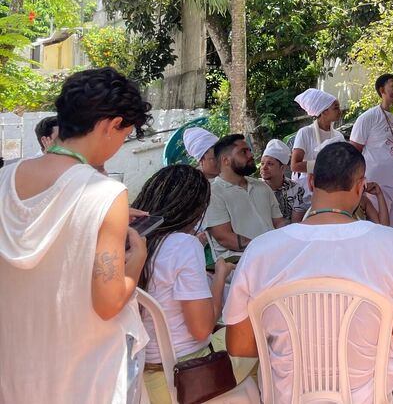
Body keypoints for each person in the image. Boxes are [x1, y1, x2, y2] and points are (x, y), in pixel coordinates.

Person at [224, 142, 393, 403]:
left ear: (310, 182)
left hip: (288, 396)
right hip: (365, 395)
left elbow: (239, 346)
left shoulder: (260, 250)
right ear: (360, 186)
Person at [0, 67, 152, 403]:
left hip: (13, 370)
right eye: (125, 134)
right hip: (83, 376)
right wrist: (137, 257)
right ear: (112, 125)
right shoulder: (106, 193)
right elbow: (109, 303)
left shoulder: (4, 180)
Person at [130, 165, 255, 404]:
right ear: (196, 210)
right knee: (257, 336)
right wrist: (220, 275)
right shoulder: (184, 245)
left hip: (143, 380)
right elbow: (201, 329)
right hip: (189, 377)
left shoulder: (131, 242)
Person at [203, 134, 288, 261]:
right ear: (225, 160)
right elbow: (224, 238)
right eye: (243, 152)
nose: (251, 155)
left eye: (249, 150)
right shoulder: (213, 193)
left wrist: (291, 235)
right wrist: (266, 249)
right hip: (240, 263)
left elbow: (279, 222)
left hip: (274, 255)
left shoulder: (261, 186)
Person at [350, 74, 393, 227]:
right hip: (376, 187)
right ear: (382, 90)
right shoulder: (368, 117)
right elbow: (353, 153)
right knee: (377, 231)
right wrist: (358, 183)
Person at [290, 87, 343, 196]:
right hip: (308, 191)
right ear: (324, 111)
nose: (340, 111)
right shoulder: (305, 133)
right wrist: (324, 165)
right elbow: (294, 165)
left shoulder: (338, 136)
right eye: (336, 108)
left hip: (332, 188)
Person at [260, 139, 309, 223]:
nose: (264, 168)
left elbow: (296, 225)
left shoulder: (296, 190)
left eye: (270, 164)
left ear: (283, 168)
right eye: (262, 163)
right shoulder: (255, 188)